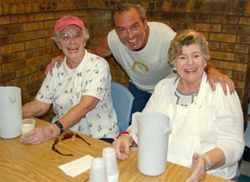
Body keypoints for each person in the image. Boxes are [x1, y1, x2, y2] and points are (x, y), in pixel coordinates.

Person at [46, 2, 235, 124]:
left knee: (169, 129)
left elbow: (189, 56)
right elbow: (91, 54)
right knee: (134, 130)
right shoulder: (112, 40)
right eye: (122, 30)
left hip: (168, 89)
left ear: (145, 22)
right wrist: (66, 56)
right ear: (115, 30)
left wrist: (212, 70)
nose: (129, 36)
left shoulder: (164, 36)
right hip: (138, 89)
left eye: (135, 26)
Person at [112, 29, 244, 182]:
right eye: (182, 57)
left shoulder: (222, 91)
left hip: (210, 175)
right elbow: (144, 122)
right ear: (173, 63)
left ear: (205, 60)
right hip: (164, 171)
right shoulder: (163, 87)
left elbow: (233, 145)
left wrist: (206, 161)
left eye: (196, 56)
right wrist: (127, 137)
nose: (190, 63)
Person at [21, 15, 119, 145]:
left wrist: (52, 130)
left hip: (98, 137)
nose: (72, 41)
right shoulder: (56, 68)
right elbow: (40, 105)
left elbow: (86, 105)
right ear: (58, 44)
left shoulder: (98, 65)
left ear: (84, 40)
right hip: (65, 134)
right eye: (65, 37)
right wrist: (10, 113)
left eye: (77, 36)